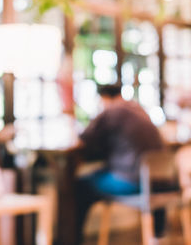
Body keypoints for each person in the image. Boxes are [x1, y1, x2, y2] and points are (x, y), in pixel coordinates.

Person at [71, 84, 167, 244]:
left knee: (82, 186)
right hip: (160, 180)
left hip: (132, 182)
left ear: (105, 98)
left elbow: (85, 138)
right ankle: (158, 236)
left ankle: (73, 240)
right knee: (108, 174)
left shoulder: (112, 110)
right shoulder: (139, 109)